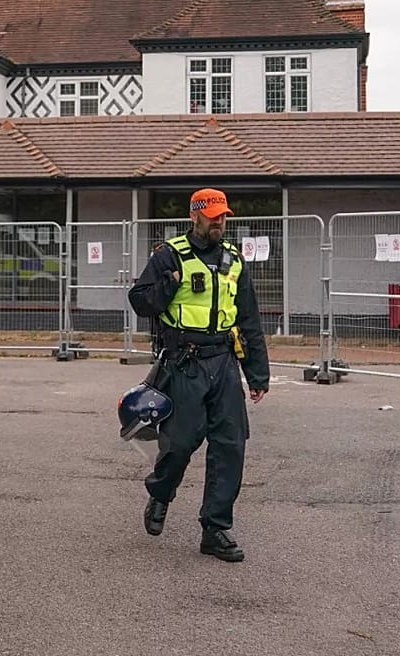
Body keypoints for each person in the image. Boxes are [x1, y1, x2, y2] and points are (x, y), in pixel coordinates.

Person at [127, 188, 270, 562]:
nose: (220, 222)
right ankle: (160, 494)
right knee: (178, 445)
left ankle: (215, 528)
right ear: (196, 217)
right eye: (214, 216)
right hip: (184, 362)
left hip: (223, 361)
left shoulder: (234, 260)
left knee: (230, 445)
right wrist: (168, 285)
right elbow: (140, 302)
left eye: (224, 216)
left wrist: (258, 374)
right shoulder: (168, 255)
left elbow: (249, 319)